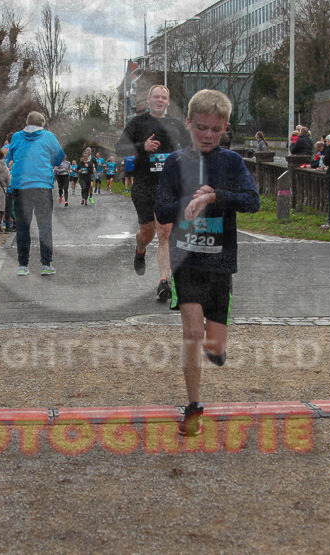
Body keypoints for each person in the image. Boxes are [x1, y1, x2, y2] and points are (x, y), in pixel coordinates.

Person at [154, 89, 260, 437]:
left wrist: (215, 197)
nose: (208, 135)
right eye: (201, 127)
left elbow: (253, 201)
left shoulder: (231, 162)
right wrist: (187, 202)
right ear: (188, 123)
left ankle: (217, 349)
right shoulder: (175, 163)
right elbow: (161, 209)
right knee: (192, 334)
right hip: (186, 262)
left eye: (216, 129)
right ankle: (194, 405)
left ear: (225, 128)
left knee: (213, 344)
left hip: (220, 262)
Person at [116, 84, 191, 302]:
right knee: (147, 234)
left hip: (168, 187)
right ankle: (140, 248)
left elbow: (190, 149)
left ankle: (163, 281)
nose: (160, 100)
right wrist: (142, 146)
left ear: (168, 102)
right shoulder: (137, 123)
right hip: (143, 185)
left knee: (165, 233)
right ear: (148, 100)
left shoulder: (176, 125)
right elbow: (120, 149)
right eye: (156, 97)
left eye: (163, 98)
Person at [6, 111, 65, 276]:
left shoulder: (16, 137)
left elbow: (10, 156)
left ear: (27, 122)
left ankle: (22, 265)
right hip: (42, 186)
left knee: (22, 227)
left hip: (21, 186)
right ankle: (46, 264)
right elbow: (59, 157)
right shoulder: (48, 136)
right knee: (45, 226)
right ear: (42, 123)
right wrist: (48, 161)